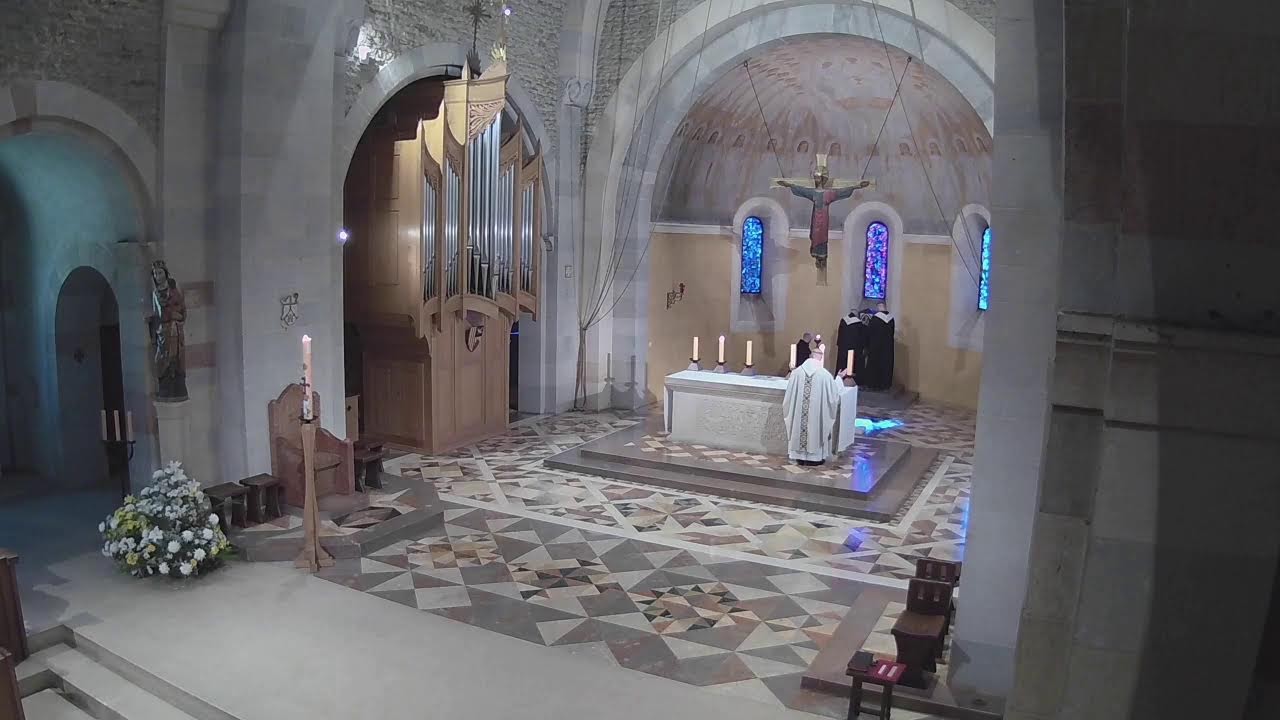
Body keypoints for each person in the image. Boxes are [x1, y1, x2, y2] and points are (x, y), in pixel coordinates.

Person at [783, 343, 847, 466]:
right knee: (815, 430)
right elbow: (834, 396)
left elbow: (789, 397)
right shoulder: (825, 375)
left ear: (810, 356)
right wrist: (839, 378)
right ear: (820, 357)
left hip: (798, 418)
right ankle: (814, 458)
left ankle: (799, 457)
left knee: (799, 426)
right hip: (815, 418)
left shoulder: (796, 373)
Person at [865, 302, 896, 390]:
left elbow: (869, 333)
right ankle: (885, 384)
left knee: (874, 364)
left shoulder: (875, 319)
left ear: (878, 307)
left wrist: (867, 345)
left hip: (875, 347)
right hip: (888, 348)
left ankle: (873, 384)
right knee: (886, 364)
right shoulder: (891, 319)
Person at [835, 309, 868, 380]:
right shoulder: (859, 323)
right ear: (856, 315)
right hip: (854, 349)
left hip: (843, 348)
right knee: (852, 365)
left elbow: (840, 335)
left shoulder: (843, 321)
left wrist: (839, 344)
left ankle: (840, 378)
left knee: (842, 363)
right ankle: (852, 380)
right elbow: (861, 338)